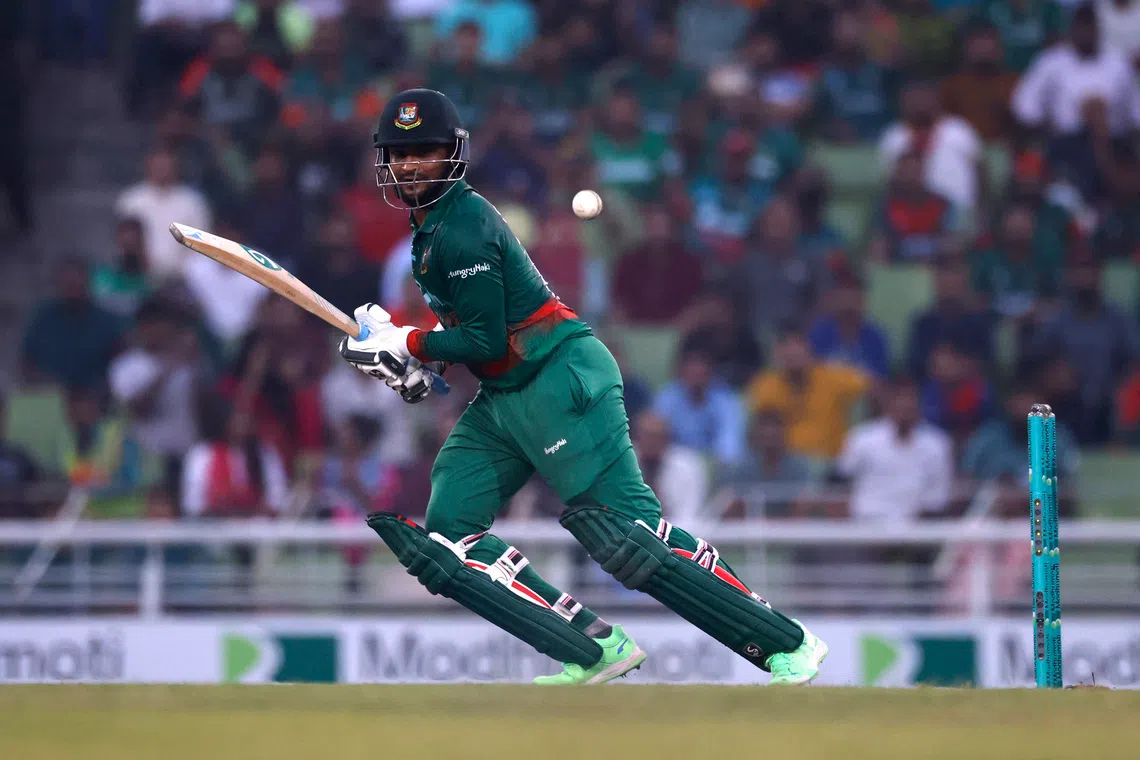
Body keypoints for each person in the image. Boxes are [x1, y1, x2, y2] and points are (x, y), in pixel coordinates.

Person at [336, 88, 827, 685]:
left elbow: (489, 341)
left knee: (629, 539)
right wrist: (423, 362)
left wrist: (409, 344)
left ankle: (786, 642)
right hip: (505, 397)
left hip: (557, 377)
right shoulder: (432, 229)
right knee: (448, 540)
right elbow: (478, 330)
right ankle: (593, 648)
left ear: (453, 155)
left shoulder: (462, 226)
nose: (411, 165)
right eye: (400, 153)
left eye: (426, 151)